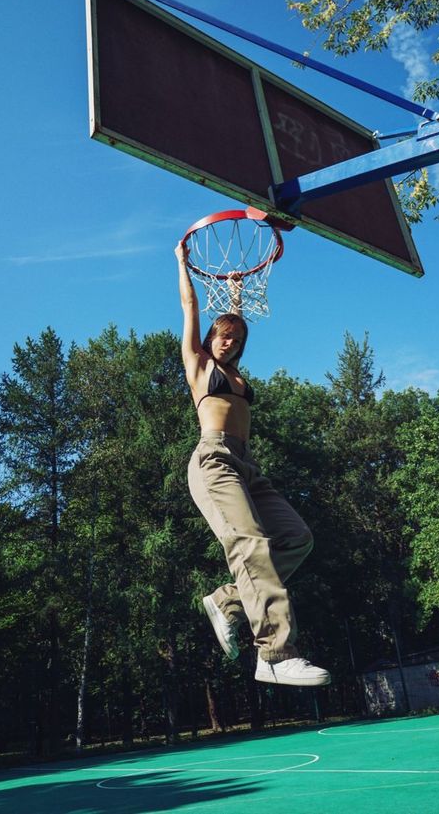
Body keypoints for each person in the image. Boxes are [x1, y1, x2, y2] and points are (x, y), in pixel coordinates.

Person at [174, 240, 331, 687]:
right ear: (211, 337)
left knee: (296, 538)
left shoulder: (240, 375)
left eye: (237, 339)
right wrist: (182, 264)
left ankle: (228, 599)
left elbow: (237, 321)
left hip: (247, 467)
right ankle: (276, 654)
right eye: (224, 334)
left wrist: (239, 294)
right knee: (250, 543)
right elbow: (190, 305)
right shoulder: (199, 364)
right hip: (214, 459)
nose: (230, 341)